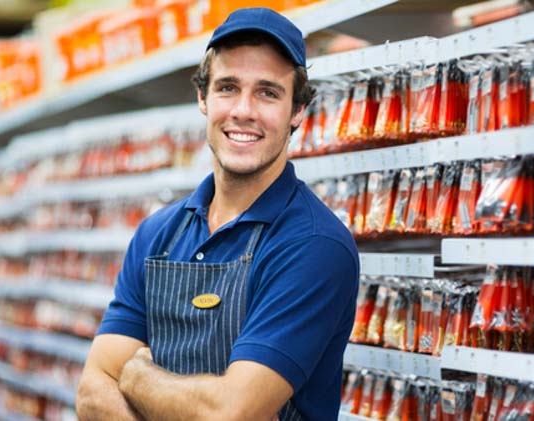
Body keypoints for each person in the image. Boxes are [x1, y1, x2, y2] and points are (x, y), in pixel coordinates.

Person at [75, 8, 359, 421]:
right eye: (228, 87)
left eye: (268, 92)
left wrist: (138, 377)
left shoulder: (313, 245)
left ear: (297, 111)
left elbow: (231, 412)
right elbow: (92, 393)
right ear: (203, 98)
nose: (243, 110)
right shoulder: (158, 235)